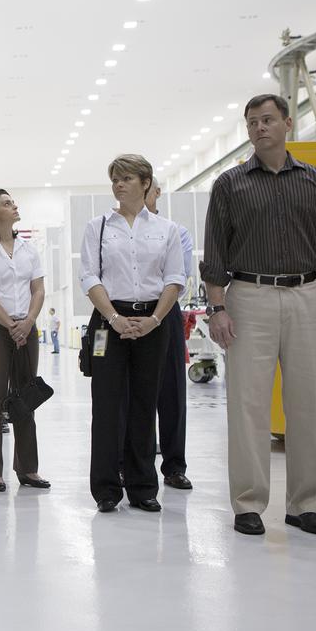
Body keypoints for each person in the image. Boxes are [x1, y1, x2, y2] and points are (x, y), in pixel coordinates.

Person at [202, 94, 316, 536]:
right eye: (252, 122)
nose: (259, 128)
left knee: (306, 400)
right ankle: (248, 503)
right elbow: (215, 255)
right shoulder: (229, 185)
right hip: (249, 295)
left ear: (287, 123)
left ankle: (306, 504)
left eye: (267, 120)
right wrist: (218, 309)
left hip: (307, 294)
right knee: (247, 404)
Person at [80, 155, 185, 513]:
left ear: (145, 182)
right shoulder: (99, 227)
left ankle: (142, 487)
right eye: (115, 179)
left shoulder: (166, 229)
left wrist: (154, 320)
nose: (119, 185)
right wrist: (113, 317)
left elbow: (175, 280)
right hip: (109, 323)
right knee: (107, 405)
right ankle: (107, 489)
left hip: (152, 323)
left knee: (145, 404)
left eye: (126, 178)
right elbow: (90, 277)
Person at [0, 190, 48, 492]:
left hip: (26, 328)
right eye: (6, 203)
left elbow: (38, 290)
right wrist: (11, 324)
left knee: (26, 395)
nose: (14, 205)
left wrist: (27, 321)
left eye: (13, 202)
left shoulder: (29, 249)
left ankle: (28, 469)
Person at [145, 180, 194, 490]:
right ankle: (136, 462)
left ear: (155, 192)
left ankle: (174, 465)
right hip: (126, 315)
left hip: (166, 312)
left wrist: (156, 314)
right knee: (133, 393)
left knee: (172, 392)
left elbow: (175, 277)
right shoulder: (114, 230)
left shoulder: (176, 232)